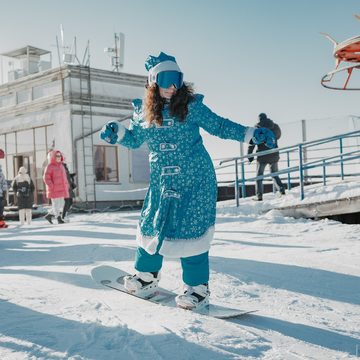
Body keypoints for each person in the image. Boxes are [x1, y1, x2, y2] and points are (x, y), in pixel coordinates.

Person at [100, 52, 276, 310]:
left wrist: (251, 134)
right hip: (162, 181)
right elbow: (136, 138)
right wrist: (118, 133)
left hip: (195, 180)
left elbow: (220, 126)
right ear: (153, 81)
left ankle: (197, 290)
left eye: (177, 79)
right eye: (166, 79)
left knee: (192, 231)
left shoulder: (191, 107)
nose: (173, 85)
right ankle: (146, 277)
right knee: (151, 225)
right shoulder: (145, 112)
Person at [247, 113, 286, 201]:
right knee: (274, 174)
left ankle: (259, 196)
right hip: (274, 154)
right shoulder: (275, 126)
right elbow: (278, 136)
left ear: (259, 119)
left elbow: (252, 142)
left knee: (259, 177)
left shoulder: (257, 128)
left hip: (262, 156)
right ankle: (282, 190)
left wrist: (250, 156)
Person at [43, 150, 69, 224]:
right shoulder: (49, 166)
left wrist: (66, 186)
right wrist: (52, 186)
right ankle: (58, 218)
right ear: (53, 157)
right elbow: (46, 178)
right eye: (57, 156)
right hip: (53, 189)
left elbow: (64, 178)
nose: (59, 157)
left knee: (61, 204)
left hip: (61, 189)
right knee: (55, 204)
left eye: (60, 156)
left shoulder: (61, 166)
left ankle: (49, 215)